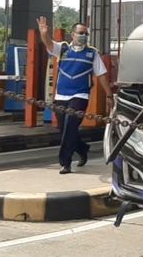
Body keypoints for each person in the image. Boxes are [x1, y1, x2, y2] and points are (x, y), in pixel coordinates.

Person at [37, 16, 113, 174]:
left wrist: (109, 95)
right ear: (72, 35)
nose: (83, 36)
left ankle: (65, 163)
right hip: (61, 95)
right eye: (80, 33)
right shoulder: (63, 49)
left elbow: (102, 75)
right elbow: (49, 44)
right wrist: (44, 33)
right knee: (63, 128)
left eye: (86, 33)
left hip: (80, 95)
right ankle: (82, 148)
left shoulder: (92, 54)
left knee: (71, 125)